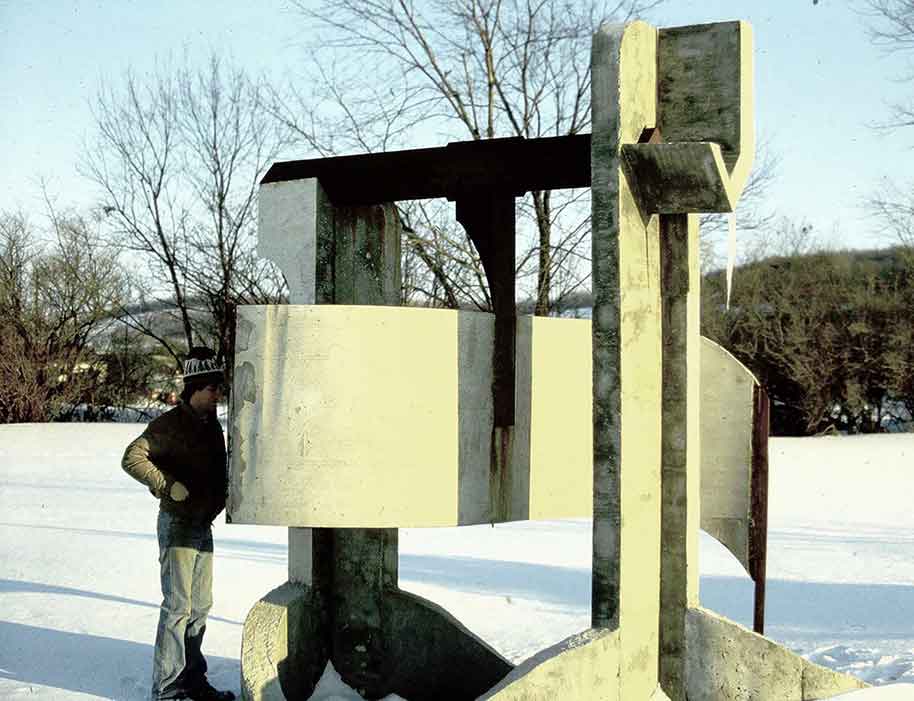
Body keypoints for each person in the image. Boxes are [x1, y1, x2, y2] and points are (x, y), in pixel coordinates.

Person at [122, 347, 235, 701]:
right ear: (195, 389)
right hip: (178, 525)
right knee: (177, 608)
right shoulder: (170, 425)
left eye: (218, 388)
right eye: (211, 388)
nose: (217, 394)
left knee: (199, 607)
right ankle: (167, 689)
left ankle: (192, 680)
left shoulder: (211, 424)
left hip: (202, 526)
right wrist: (168, 485)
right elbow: (132, 458)